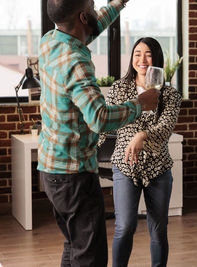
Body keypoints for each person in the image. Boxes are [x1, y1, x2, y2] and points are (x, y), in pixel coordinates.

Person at [38, 1, 159, 266]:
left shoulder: (50, 40)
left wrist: (117, 4)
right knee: (90, 257)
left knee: (74, 245)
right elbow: (99, 118)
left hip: (51, 170)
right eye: (93, 5)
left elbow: (91, 26)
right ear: (83, 16)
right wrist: (141, 104)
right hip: (74, 176)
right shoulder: (76, 61)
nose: (96, 9)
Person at [98, 37, 181, 267]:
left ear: (157, 59)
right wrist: (88, 147)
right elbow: (106, 123)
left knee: (158, 229)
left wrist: (142, 136)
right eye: (137, 54)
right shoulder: (119, 88)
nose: (141, 59)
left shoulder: (170, 94)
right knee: (125, 227)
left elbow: (165, 127)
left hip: (158, 168)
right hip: (125, 166)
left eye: (148, 54)